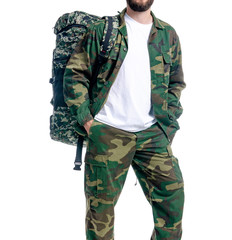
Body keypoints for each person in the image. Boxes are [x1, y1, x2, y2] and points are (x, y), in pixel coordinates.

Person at [63, 0, 186, 239]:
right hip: (107, 132)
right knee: (100, 214)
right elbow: (75, 74)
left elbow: (176, 82)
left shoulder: (168, 35)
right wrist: (87, 120)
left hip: (152, 134)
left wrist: (167, 123)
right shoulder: (102, 30)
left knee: (173, 198)